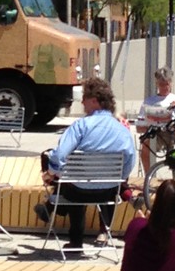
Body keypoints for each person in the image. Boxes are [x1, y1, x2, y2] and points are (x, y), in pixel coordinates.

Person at [37, 75, 137, 250]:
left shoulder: (80, 126)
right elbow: (129, 164)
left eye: (84, 99)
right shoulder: (122, 130)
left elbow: (59, 155)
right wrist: (116, 178)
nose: (82, 103)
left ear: (94, 101)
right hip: (109, 191)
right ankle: (104, 232)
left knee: (72, 181)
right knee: (78, 179)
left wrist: (51, 174)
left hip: (77, 192)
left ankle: (76, 240)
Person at [136, 65, 175, 173]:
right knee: (146, 147)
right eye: (161, 84)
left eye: (167, 84)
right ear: (157, 84)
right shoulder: (149, 101)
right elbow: (140, 125)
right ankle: (150, 176)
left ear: (171, 83)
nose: (164, 87)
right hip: (157, 134)